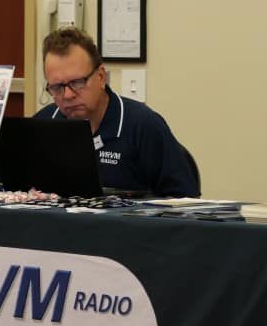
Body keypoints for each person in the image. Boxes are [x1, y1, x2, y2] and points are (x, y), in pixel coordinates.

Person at [34, 28, 200, 198]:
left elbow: (185, 200)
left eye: (77, 83)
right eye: (57, 87)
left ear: (101, 77)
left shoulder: (142, 125)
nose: (68, 95)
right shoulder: (43, 124)